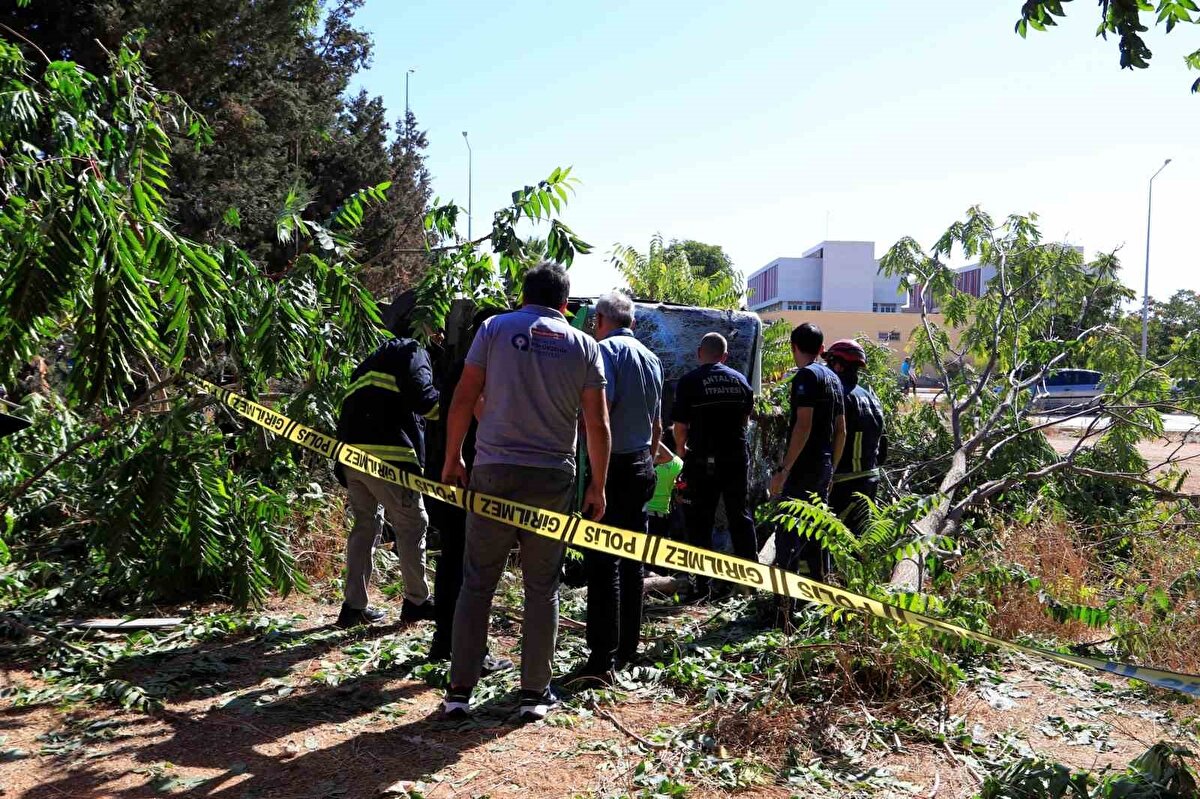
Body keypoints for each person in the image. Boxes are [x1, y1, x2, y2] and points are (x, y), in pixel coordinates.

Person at [441, 262, 611, 721]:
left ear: (523, 296)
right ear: (565, 304)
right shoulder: (583, 344)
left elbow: (462, 395)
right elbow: (597, 423)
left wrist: (452, 457)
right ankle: (533, 694)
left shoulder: (495, 328)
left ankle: (459, 691)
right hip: (551, 477)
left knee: (477, 582)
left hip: (493, 470)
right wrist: (597, 484)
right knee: (541, 587)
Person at [334, 292, 438, 628]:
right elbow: (426, 402)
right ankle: (417, 601)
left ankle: (353, 608)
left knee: (366, 526)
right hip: (389, 458)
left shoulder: (369, 360)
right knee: (413, 524)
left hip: (352, 458)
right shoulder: (411, 350)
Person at [578, 292, 663, 682]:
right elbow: (657, 425)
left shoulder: (605, 353)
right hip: (643, 463)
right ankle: (629, 646)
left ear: (599, 320)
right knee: (633, 559)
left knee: (603, 561)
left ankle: (602, 658)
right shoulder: (652, 359)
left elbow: (601, 418)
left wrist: (596, 479)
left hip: (612, 465)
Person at [423, 307, 513, 676]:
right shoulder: (483, 367)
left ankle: (444, 641)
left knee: (452, 558)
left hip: (447, 473)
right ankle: (470, 650)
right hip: (470, 475)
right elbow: (485, 417)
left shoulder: (459, 364)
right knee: (472, 566)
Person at [671, 332, 756, 599]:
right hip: (735, 458)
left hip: (702, 460)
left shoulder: (690, 381)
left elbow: (680, 426)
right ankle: (751, 583)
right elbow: (745, 420)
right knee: (739, 517)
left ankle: (701, 586)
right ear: (725, 356)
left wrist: (681, 452)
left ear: (700, 353)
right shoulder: (740, 380)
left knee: (700, 521)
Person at [769, 322, 846, 582]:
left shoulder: (806, 376)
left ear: (793, 347)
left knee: (789, 532)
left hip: (804, 466)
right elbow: (841, 431)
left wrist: (784, 470)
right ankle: (816, 593)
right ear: (822, 348)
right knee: (816, 532)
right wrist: (832, 470)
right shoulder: (834, 379)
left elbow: (803, 425)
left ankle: (784, 606)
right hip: (824, 465)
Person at [823, 340, 887, 538]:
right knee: (859, 541)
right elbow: (883, 445)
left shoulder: (838, 395)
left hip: (844, 483)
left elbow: (828, 437)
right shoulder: (871, 397)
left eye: (829, 363)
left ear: (838, 365)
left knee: (833, 541)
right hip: (870, 479)